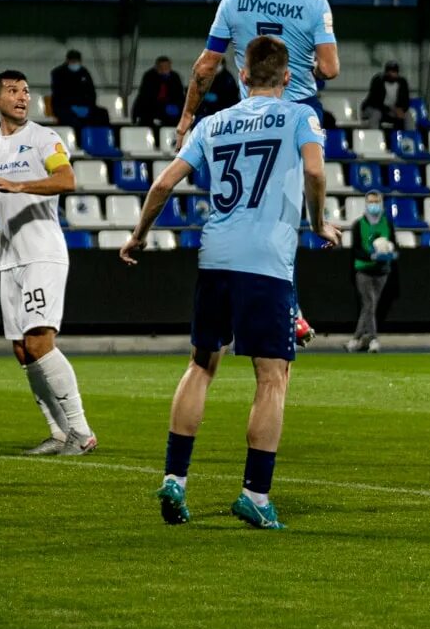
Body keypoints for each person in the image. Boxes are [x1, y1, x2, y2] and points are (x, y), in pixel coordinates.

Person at [121, 36, 336, 530]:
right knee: (272, 376)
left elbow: (162, 184)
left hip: (215, 257)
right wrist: (319, 223)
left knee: (201, 366)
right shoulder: (300, 115)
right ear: (286, 77)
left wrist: (137, 237)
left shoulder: (213, 123)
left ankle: (175, 479)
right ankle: (255, 495)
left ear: (242, 76)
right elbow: (314, 170)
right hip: (265, 263)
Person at [0, 69, 95, 456]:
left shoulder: (44, 139)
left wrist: (19, 185)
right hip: (10, 259)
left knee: (39, 341)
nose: (22, 97)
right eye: (13, 91)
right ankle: (57, 433)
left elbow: (67, 180)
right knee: (22, 349)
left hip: (43, 253)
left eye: (25, 91)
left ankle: (81, 432)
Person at [179, 0, 340, 144]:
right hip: (300, 111)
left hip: (252, 115)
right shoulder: (315, 3)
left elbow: (206, 66)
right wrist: (313, 70)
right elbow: (330, 68)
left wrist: (188, 114)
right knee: (304, 177)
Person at [348, 191, 395, 352]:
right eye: (370, 202)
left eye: (376, 201)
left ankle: (356, 339)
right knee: (369, 303)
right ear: (366, 203)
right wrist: (372, 256)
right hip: (364, 270)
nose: (373, 204)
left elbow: (393, 243)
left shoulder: (386, 223)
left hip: (382, 272)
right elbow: (356, 250)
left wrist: (389, 253)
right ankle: (373, 339)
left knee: (369, 307)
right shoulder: (358, 224)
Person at [49, 50, 109, 128]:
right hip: (65, 107)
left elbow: (91, 92)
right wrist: (72, 107)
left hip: (84, 106)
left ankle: (101, 138)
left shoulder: (84, 73)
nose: (75, 63)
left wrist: (88, 106)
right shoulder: (58, 73)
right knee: (72, 120)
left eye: (77, 61)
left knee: (102, 114)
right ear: (68, 61)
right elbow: (58, 95)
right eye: (73, 61)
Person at [131, 57, 184, 128]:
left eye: (167, 67)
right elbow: (147, 98)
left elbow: (179, 95)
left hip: (169, 109)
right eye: (162, 67)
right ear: (157, 67)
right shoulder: (149, 76)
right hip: (151, 109)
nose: (164, 69)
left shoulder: (175, 77)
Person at [361, 61, 412, 131]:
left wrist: (401, 110)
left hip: (393, 110)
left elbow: (405, 100)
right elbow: (375, 102)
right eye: (389, 71)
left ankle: (409, 138)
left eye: (394, 71)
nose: (391, 73)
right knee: (376, 114)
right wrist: (391, 109)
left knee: (408, 116)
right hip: (374, 108)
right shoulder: (378, 81)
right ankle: (374, 137)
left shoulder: (402, 83)